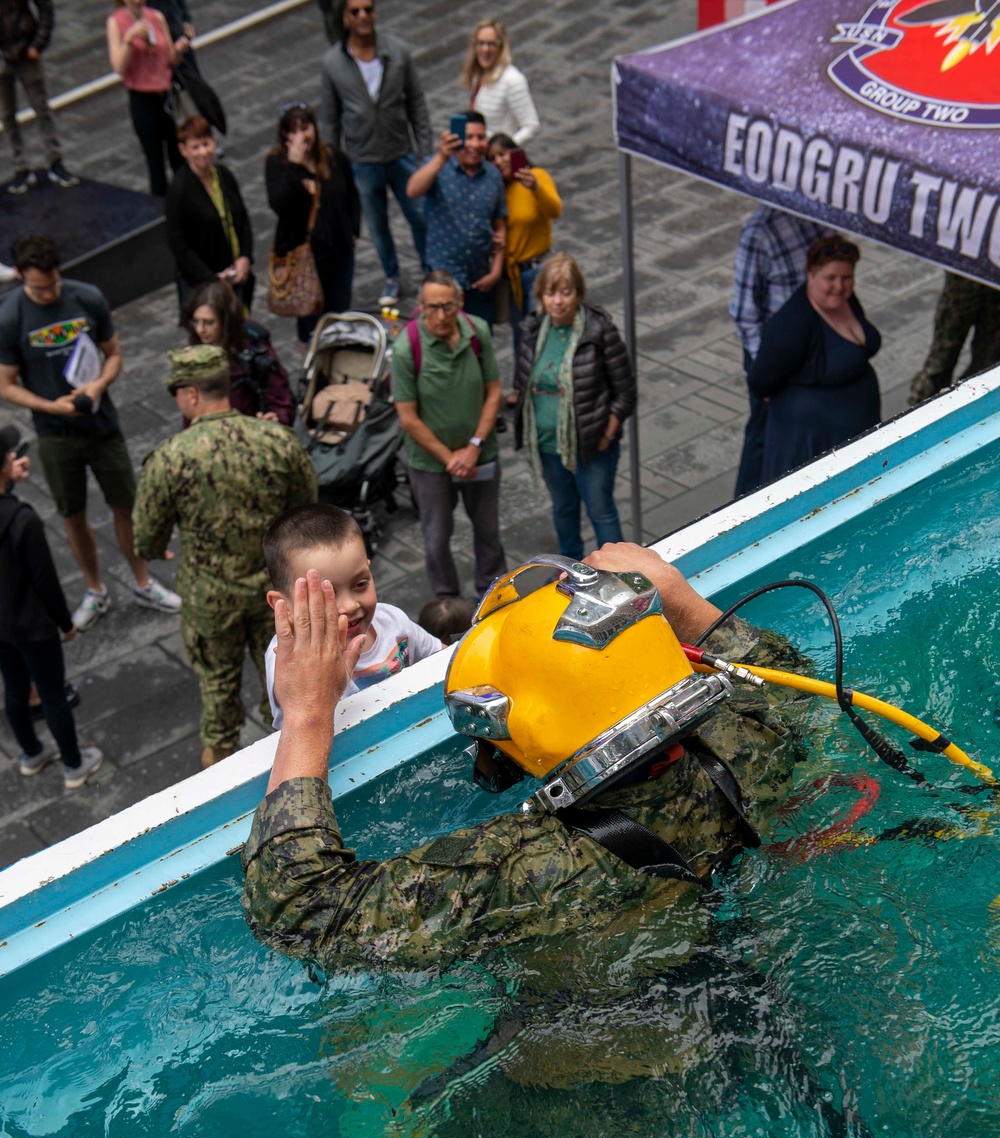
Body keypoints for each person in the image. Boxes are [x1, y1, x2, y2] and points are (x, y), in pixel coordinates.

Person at [241, 541, 812, 974]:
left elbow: (300, 909)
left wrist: (309, 714)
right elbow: (795, 681)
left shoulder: (528, 871)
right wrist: (677, 595)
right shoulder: (750, 741)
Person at [132, 346, 318, 768]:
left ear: (191, 394)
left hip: (209, 601)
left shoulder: (169, 459)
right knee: (287, 683)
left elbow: (145, 540)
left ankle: (221, 787)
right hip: (276, 591)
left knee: (217, 695)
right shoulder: (277, 441)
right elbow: (305, 514)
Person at [0, 233, 181, 632]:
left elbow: (113, 353)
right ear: (22, 279)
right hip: (54, 433)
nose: (47, 293)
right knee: (73, 516)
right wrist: (51, 406)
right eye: (38, 287)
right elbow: (5, 382)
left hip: (102, 425)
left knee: (125, 507)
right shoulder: (11, 316)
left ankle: (143, 582)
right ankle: (95, 589)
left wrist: (97, 387)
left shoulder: (86, 298)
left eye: (52, 284)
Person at [262, 504, 442, 728]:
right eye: (324, 596)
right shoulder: (289, 658)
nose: (349, 605)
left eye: (360, 584)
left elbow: (443, 657)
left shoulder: (392, 622)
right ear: (284, 605)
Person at [512, 252, 635, 561]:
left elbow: (625, 392)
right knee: (563, 508)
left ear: (578, 293)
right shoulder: (532, 331)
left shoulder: (599, 331)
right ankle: (570, 566)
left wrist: (606, 436)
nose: (558, 301)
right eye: (551, 292)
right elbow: (523, 382)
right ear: (540, 295)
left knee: (600, 511)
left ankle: (619, 571)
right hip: (549, 447)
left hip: (592, 448)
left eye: (565, 292)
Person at [0, 423, 104, 791]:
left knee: (13, 689)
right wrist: (66, 624)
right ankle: (74, 763)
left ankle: (31, 754)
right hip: (33, 626)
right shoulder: (23, 520)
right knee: (52, 693)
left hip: (2, 627)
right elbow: (45, 582)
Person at [391, 269, 505, 600]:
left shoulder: (477, 332)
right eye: (432, 308)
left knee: (488, 531)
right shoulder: (405, 349)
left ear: (460, 302)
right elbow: (408, 418)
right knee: (436, 539)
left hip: (480, 455)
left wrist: (473, 447)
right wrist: (451, 459)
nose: (440, 316)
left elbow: (494, 392)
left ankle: (494, 594)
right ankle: (449, 604)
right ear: (420, 305)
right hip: (430, 465)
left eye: (447, 306)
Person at [319, 0, 431, 306]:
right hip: (362, 159)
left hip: (401, 153)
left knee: (420, 217)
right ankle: (393, 277)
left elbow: (416, 103)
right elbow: (330, 118)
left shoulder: (397, 53)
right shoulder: (333, 64)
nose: (363, 16)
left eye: (368, 9)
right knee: (377, 225)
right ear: (345, 17)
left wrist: (425, 151)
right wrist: (331, 165)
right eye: (355, 12)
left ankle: (429, 273)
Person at [748, 234, 882, 488]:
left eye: (846, 278)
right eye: (830, 278)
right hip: (811, 446)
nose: (839, 286)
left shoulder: (846, 300)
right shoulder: (790, 325)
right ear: (811, 275)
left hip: (853, 433)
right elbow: (760, 381)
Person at [730, 207, 825, 499]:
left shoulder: (819, 214)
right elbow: (744, 312)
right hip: (774, 357)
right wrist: (766, 370)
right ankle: (742, 509)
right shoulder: (760, 232)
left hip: (809, 350)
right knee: (763, 435)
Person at [265, 100, 360, 346]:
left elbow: (351, 195)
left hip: (338, 250)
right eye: (293, 130)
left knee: (339, 314)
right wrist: (295, 167)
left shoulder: (333, 157)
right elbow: (279, 204)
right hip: (305, 257)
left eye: (305, 128)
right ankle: (311, 371)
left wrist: (353, 230)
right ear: (284, 135)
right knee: (310, 322)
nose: (301, 136)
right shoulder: (277, 165)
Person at [406, 112, 506, 325]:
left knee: (478, 343)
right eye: (468, 137)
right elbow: (413, 189)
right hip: (444, 281)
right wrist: (442, 156)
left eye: (481, 137)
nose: (475, 144)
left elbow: (500, 221)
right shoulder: (438, 167)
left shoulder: (493, 176)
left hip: (479, 280)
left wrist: (496, 271)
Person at [166, 115, 253, 312]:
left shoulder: (223, 176)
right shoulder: (180, 191)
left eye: (206, 144)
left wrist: (245, 257)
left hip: (235, 275)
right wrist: (211, 279)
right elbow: (179, 245)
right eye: (195, 147)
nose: (203, 152)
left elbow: (242, 219)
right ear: (183, 150)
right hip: (203, 284)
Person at [486, 132, 561, 360]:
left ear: (516, 152)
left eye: (503, 154)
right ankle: (523, 383)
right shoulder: (496, 190)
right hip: (511, 275)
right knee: (520, 331)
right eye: (492, 158)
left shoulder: (537, 177)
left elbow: (555, 210)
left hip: (536, 270)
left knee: (539, 330)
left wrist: (536, 188)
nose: (499, 161)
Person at [183, 279, 294, 425]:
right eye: (196, 321)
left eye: (209, 322)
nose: (200, 330)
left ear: (225, 322)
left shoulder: (253, 349)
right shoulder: (196, 347)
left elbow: (280, 398)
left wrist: (276, 419)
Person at [107, 0, 186, 198]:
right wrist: (129, 39)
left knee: (179, 154)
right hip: (142, 99)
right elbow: (119, 67)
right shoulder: (116, 22)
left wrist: (181, 48)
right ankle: (161, 208)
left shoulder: (156, 17)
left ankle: (186, 203)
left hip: (166, 95)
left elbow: (170, 58)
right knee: (155, 161)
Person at [0, 0, 78, 194]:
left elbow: (46, 8)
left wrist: (37, 44)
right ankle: (21, 167)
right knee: (8, 114)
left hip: (26, 49)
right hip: (3, 57)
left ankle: (55, 160)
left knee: (41, 108)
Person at [909, 271, 1000, 405]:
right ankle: (926, 405)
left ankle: (971, 401)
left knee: (987, 359)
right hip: (970, 270)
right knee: (943, 355)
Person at [462, 18, 539, 146]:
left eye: (491, 44)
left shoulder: (512, 80)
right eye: (480, 43)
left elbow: (531, 126)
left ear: (501, 47)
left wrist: (502, 150)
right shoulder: (477, 75)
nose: (485, 49)